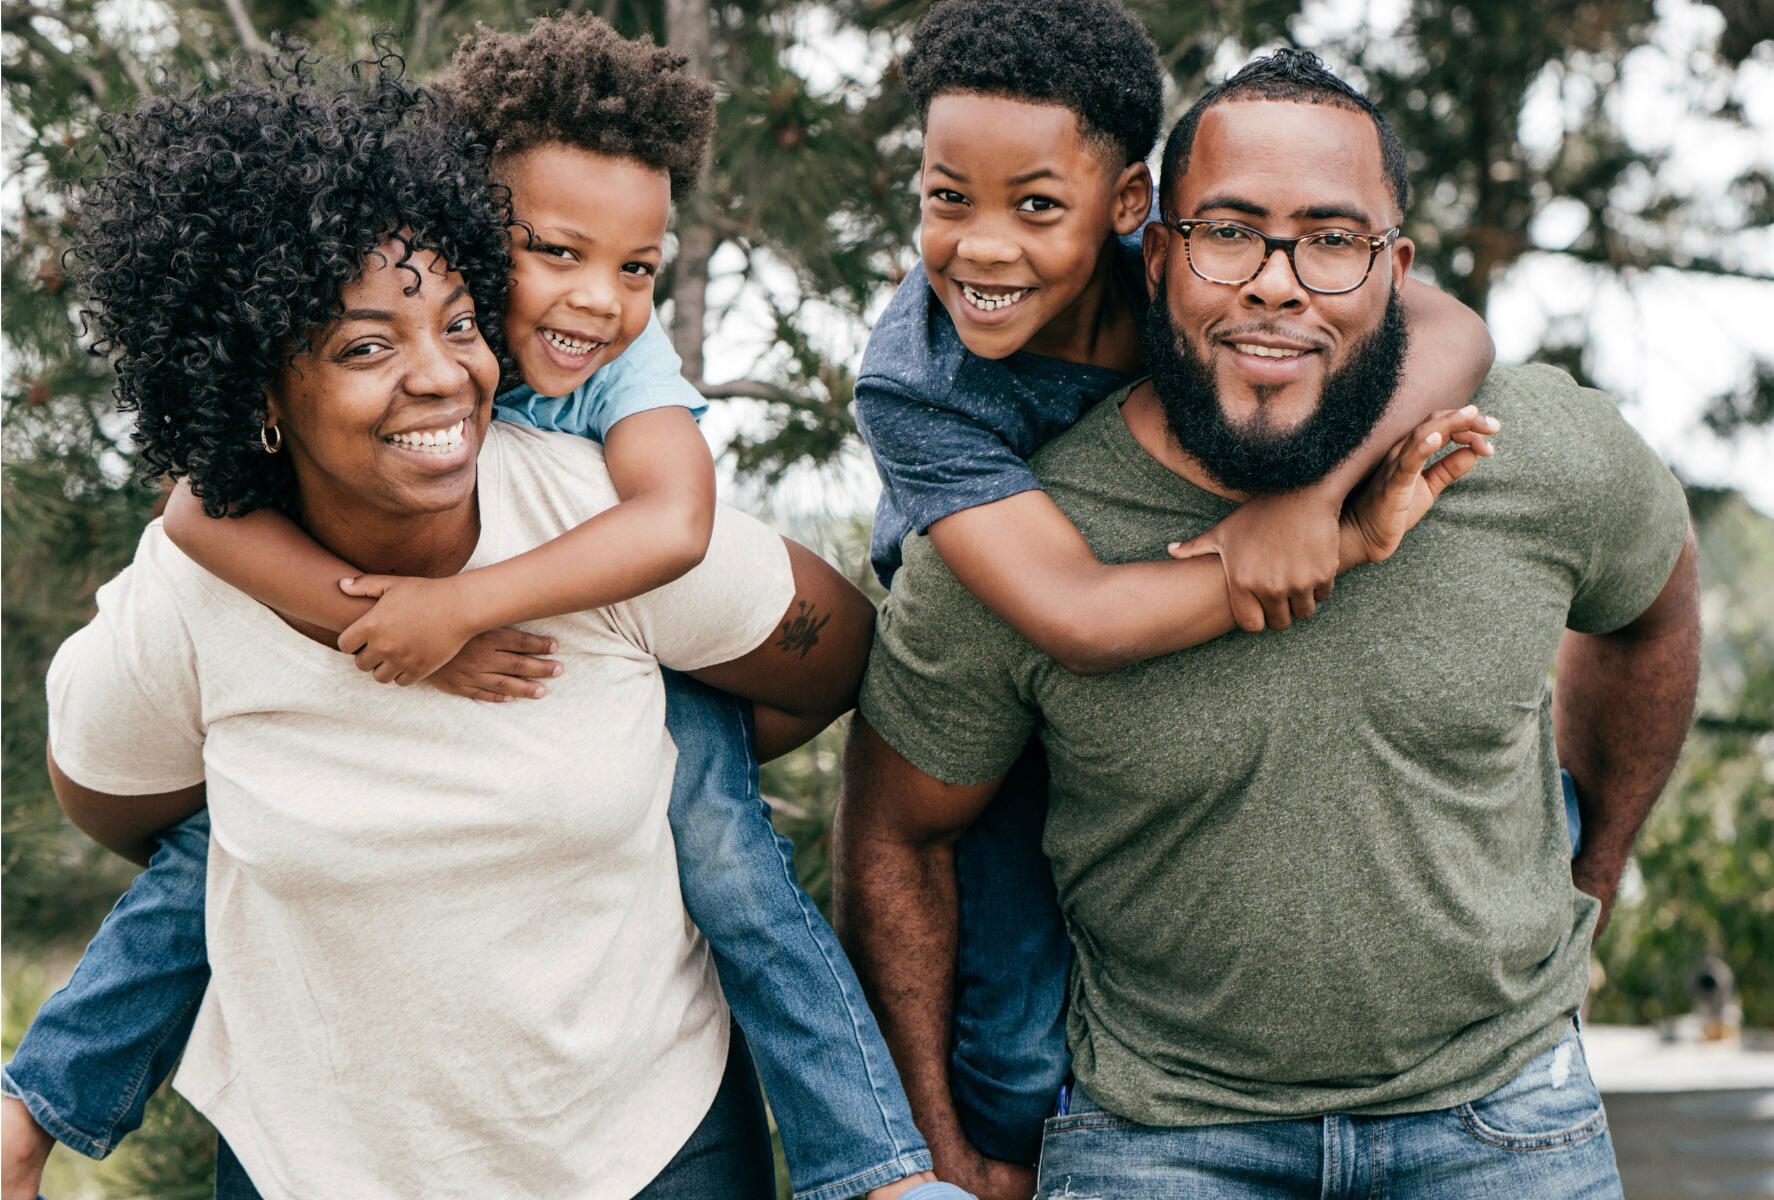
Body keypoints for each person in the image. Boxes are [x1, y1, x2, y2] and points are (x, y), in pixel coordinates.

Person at [0, 52, 960, 1200]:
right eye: (366, 345)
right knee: (215, 848)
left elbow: (767, 602)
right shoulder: (202, 575)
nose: (441, 376)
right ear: (259, 387)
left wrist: (510, 645)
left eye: (457, 323)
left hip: (642, 1143)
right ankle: (29, 1114)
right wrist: (365, 635)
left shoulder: (594, 468)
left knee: (727, 855)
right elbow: (141, 714)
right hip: (316, 1160)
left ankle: (876, 1169)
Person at [836, 47, 1700, 1200]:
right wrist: (934, 1154)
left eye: (1332, 240)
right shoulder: (1007, 529)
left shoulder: (1532, 449)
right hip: (1158, 1137)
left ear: (1395, 267)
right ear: (1155, 254)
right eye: (1230, 233)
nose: (1277, 283)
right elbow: (896, 837)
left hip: (1506, 1116)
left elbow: (1653, 611)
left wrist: (1594, 869)